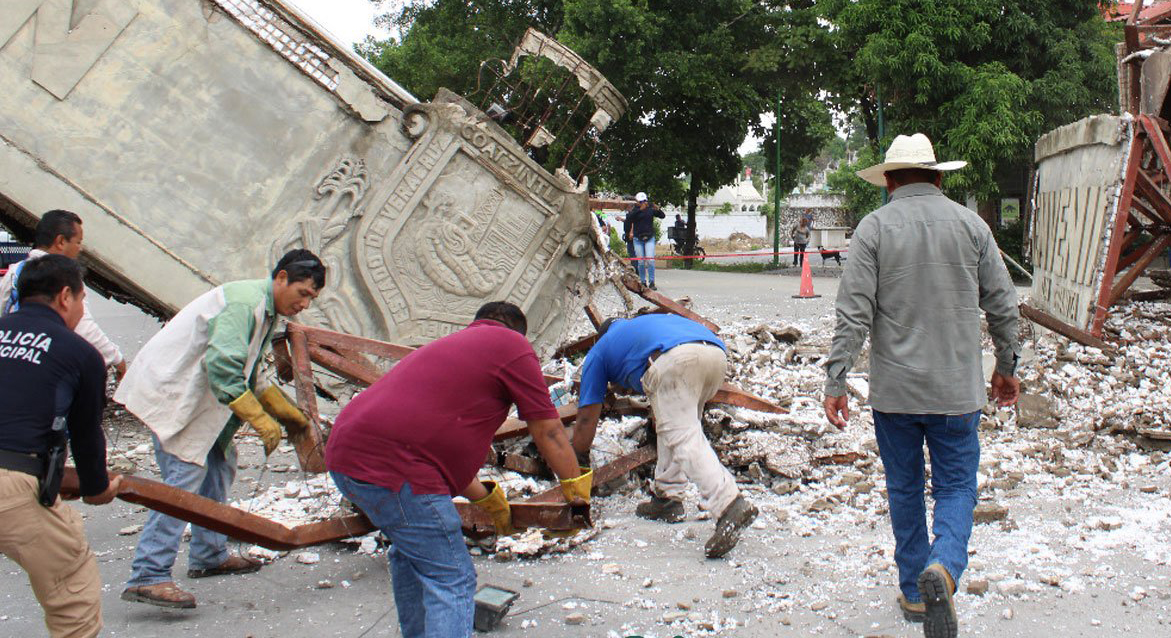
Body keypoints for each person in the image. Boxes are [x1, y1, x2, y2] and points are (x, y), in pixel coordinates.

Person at [823, 133, 1021, 638]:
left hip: (896, 396)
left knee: (905, 488)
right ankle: (946, 569)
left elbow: (853, 314)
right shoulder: (971, 225)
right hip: (957, 392)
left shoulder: (872, 230)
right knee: (956, 486)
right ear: (938, 176)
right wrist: (1007, 365)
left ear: (889, 181)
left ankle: (914, 590)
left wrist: (836, 378)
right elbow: (1003, 303)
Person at [325, 301, 591, 638]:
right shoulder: (512, 345)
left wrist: (490, 502)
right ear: (517, 331)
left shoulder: (453, 351)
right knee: (451, 577)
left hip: (347, 457)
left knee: (413, 555)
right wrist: (576, 488)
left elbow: (446, 456)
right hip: (397, 468)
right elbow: (549, 430)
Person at [114, 250, 325, 609]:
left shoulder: (266, 311)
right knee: (182, 484)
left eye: (312, 298)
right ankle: (148, 575)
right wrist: (260, 419)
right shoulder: (245, 304)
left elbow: (251, 372)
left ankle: (209, 554)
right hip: (176, 395)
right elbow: (224, 366)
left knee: (220, 464)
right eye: (302, 293)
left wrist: (290, 417)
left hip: (202, 401)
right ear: (281, 278)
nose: (304, 303)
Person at [0, 254, 123, 638]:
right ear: (66, 297)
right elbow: (86, 434)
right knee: (72, 588)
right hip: (13, 482)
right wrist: (96, 488)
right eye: (84, 299)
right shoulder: (81, 353)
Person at [570, 313, 757, 559]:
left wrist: (576, 458)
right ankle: (668, 498)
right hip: (715, 355)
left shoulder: (600, 350)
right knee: (676, 425)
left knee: (683, 435)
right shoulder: (643, 328)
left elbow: (586, 419)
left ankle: (729, 503)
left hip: (676, 360)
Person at [0, 210, 127, 381]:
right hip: (44, 364)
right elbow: (83, 328)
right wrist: (116, 359)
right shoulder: (66, 277)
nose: (80, 249)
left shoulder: (15, 271)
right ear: (60, 241)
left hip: (11, 360)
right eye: (78, 242)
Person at [622, 193, 665, 289]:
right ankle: (642, 281)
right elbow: (629, 218)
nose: (643, 203)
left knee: (650, 260)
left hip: (649, 237)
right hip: (638, 238)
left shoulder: (650, 209)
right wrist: (639, 210)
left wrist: (658, 209)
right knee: (640, 261)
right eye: (640, 202)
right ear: (637, 202)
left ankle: (652, 282)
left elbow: (662, 216)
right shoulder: (635, 210)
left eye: (644, 201)